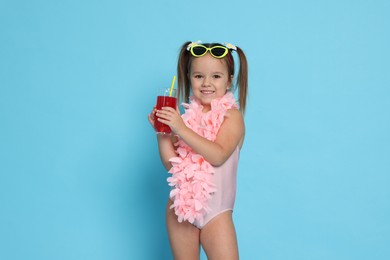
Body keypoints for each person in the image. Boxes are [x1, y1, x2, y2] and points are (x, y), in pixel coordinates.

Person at [148, 40, 248, 260]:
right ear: (189, 77)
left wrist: (180, 128)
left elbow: (218, 154)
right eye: (198, 76)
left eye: (216, 76)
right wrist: (162, 133)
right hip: (181, 208)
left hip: (217, 214)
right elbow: (171, 164)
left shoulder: (232, 118)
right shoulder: (187, 119)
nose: (206, 83)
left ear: (229, 81)